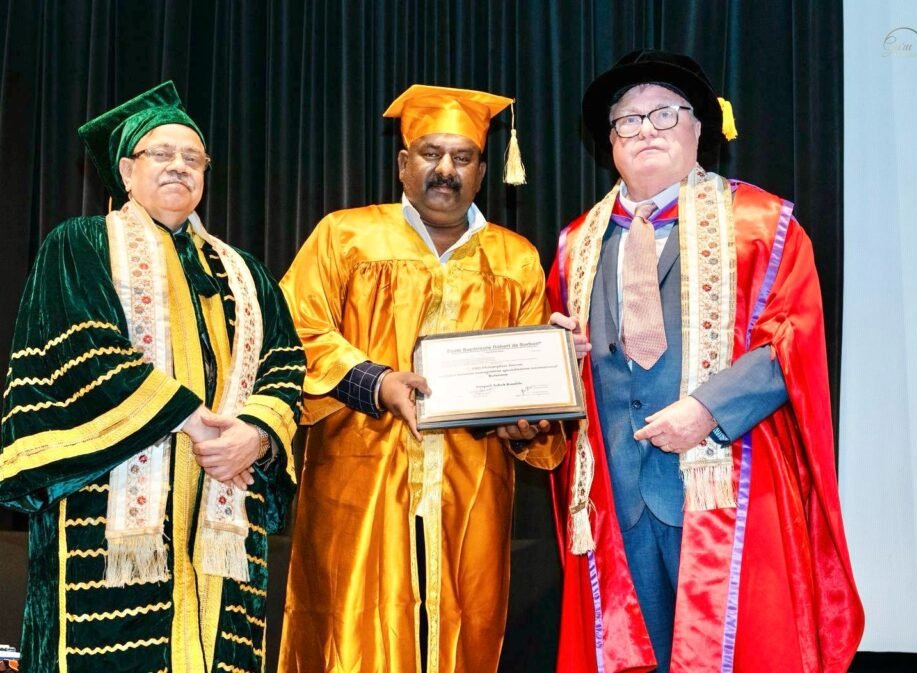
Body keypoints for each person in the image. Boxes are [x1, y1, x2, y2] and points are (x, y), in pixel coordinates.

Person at [547, 50, 864, 673]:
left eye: (665, 114)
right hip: (615, 494)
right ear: (610, 142)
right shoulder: (576, 242)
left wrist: (707, 410)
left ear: (701, 127)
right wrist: (557, 354)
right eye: (627, 120)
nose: (645, 130)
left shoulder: (762, 225)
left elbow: (791, 336)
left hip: (728, 483)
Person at [0, 82, 304, 673]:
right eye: (161, 154)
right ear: (126, 171)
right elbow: (82, 345)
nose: (179, 167)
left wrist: (256, 434)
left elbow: (286, 362)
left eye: (193, 158)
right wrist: (190, 418)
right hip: (108, 507)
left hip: (223, 516)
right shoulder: (81, 244)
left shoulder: (245, 273)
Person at [278, 84, 565, 673]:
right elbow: (293, 330)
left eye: (463, 157)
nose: (446, 170)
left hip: (471, 487)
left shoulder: (515, 259)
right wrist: (376, 382)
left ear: (481, 171)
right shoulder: (345, 236)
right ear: (403, 163)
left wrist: (527, 424)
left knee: (463, 632)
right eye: (431, 154)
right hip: (361, 479)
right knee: (350, 635)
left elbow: (531, 380)